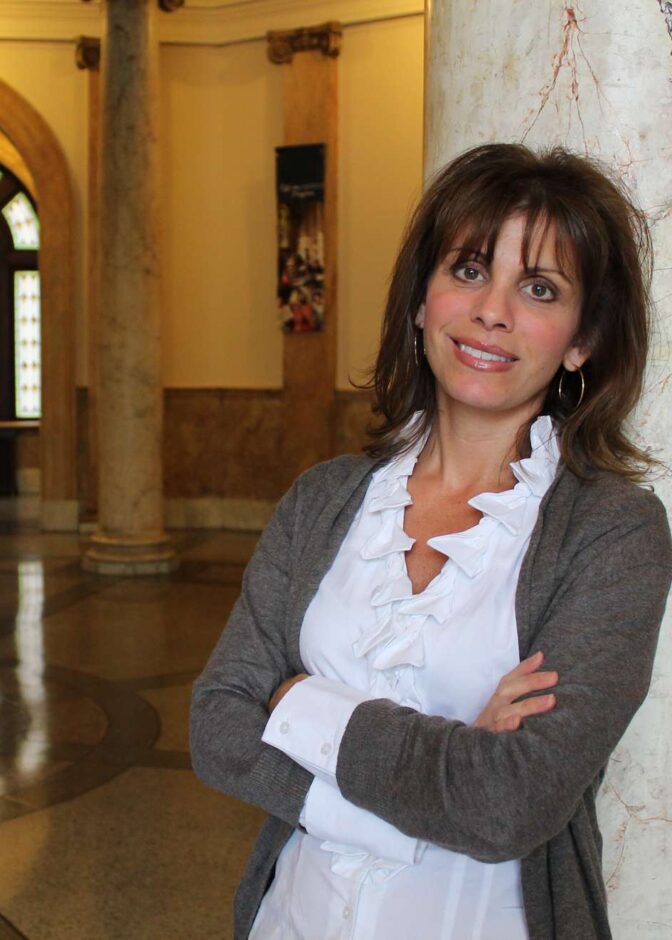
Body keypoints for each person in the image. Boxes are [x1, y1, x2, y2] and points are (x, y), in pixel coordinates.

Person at [190, 143, 672, 940]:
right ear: (421, 300)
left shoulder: (613, 534)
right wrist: (441, 768)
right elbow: (216, 725)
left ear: (581, 341)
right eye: (470, 270)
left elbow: (509, 805)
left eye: (540, 288)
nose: (494, 311)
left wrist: (298, 703)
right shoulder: (324, 500)